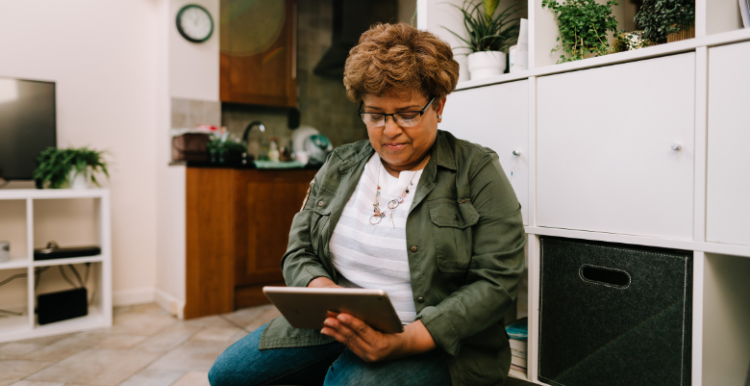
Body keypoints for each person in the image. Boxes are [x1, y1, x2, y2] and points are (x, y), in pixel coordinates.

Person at [208, 22, 526, 386]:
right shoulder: (340, 165)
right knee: (228, 375)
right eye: (375, 115)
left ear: (438, 106)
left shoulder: (477, 171)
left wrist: (407, 340)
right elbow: (299, 251)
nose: (390, 130)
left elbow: (497, 281)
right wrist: (322, 291)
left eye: (407, 114)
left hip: (434, 341)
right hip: (334, 325)